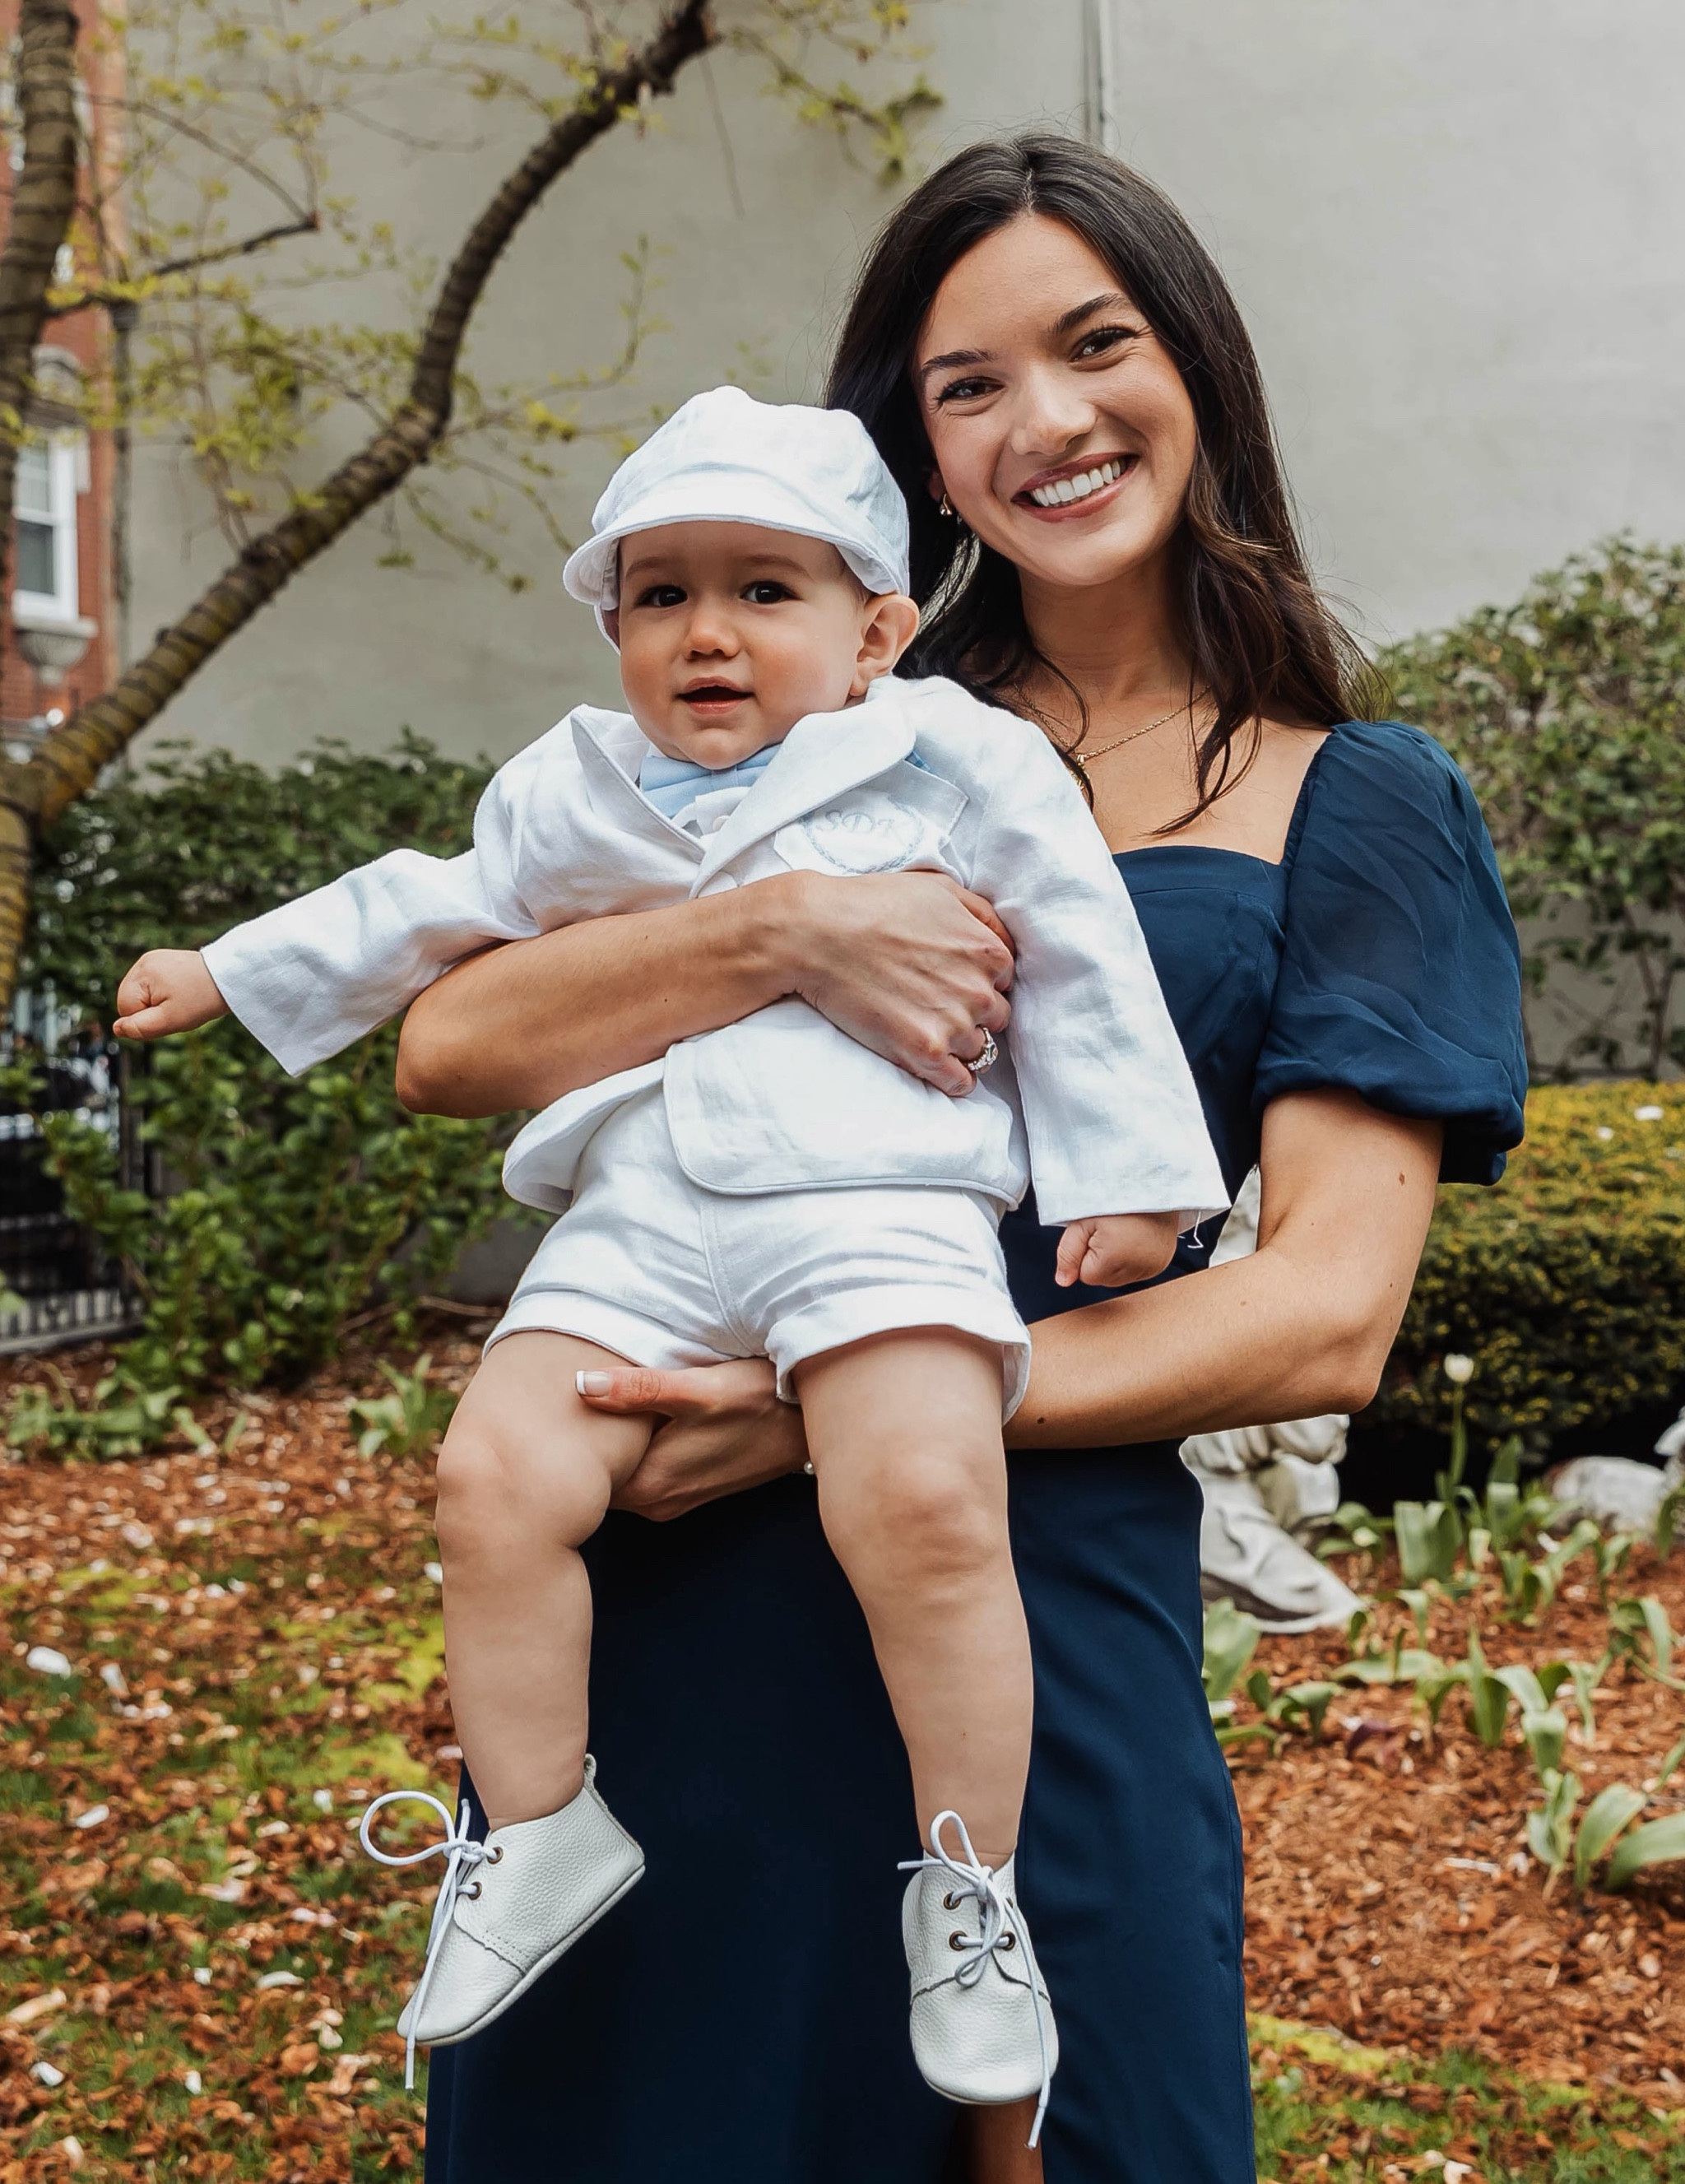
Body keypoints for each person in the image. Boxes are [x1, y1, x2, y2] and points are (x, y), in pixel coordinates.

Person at [397, 137, 1527, 2184]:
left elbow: (1325, 1315)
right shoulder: (795, 717)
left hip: (1023, 1606)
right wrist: (777, 929)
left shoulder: (1355, 802)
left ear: (1195, 362)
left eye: (1095, 346)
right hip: (685, 1624)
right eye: (967, 384)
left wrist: (831, 1406)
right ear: (910, 451)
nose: (1047, 421)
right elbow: (449, 1041)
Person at [109, 384, 1227, 2134]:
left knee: (926, 1496)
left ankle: (970, 1890)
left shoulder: (955, 759)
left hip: (878, 1199)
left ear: (874, 633)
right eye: (661, 594)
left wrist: (1135, 1174)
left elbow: (1080, 952)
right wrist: (235, 969)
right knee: (493, 1477)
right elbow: (430, 904)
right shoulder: (578, 784)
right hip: (643, 1214)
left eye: (763, 591)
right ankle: (539, 1827)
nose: (707, 632)